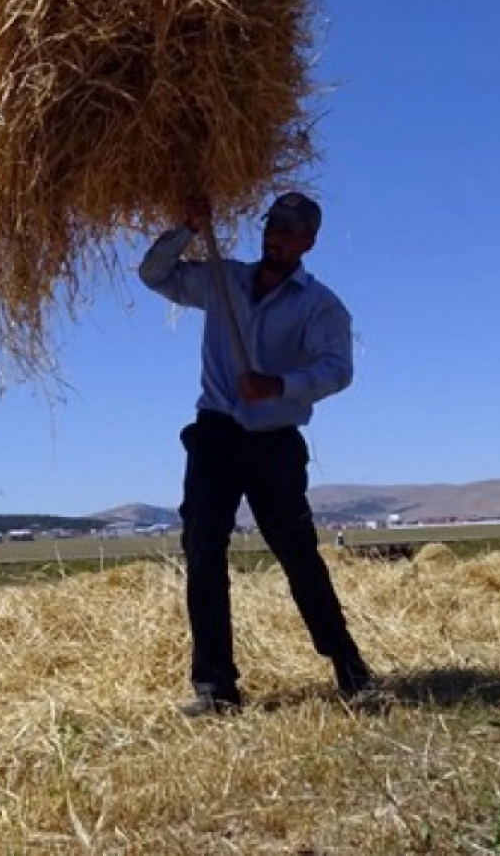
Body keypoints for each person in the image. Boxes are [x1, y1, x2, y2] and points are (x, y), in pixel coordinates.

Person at [139, 191, 374, 716]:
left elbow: (337, 370)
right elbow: (155, 274)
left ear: (309, 241)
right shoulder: (223, 281)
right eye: (274, 225)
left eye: (292, 231)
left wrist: (279, 385)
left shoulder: (321, 305)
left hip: (274, 444)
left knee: (298, 555)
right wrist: (188, 229)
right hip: (216, 436)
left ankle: (350, 667)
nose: (278, 236)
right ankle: (215, 688)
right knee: (203, 554)